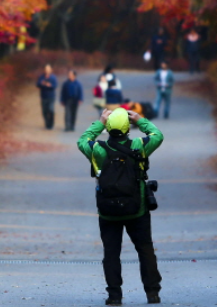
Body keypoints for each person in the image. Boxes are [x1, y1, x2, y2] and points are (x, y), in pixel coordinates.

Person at [77, 107, 164, 306]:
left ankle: (114, 295)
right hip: (137, 209)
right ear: (127, 128)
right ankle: (152, 293)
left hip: (108, 213)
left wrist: (99, 122)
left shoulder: (98, 149)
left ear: (108, 128)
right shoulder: (138, 145)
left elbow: (82, 141)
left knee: (111, 252)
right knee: (145, 249)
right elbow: (157, 136)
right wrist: (141, 120)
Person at [36, 64, 57, 129]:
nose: (47, 70)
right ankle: (47, 123)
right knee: (44, 111)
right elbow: (37, 84)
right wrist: (42, 83)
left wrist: (50, 85)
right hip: (43, 96)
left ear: (51, 70)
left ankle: (51, 124)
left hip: (51, 96)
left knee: (51, 110)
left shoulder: (53, 77)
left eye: (48, 69)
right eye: (46, 69)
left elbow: (55, 86)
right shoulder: (41, 77)